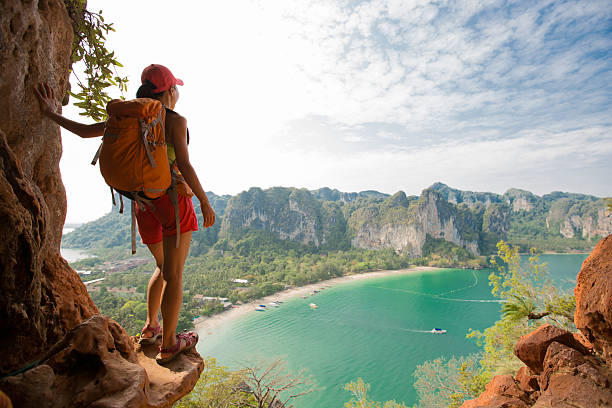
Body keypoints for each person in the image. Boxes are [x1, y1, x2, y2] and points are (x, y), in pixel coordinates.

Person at [35, 64, 216, 365]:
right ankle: (170, 344)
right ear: (170, 90)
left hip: (141, 204)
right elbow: (184, 164)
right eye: (176, 87)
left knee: (161, 266)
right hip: (172, 204)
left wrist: (50, 112)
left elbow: (83, 132)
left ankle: (150, 328)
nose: (178, 92)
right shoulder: (174, 120)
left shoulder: (127, 118)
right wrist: (205, 203)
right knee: (174, 274)